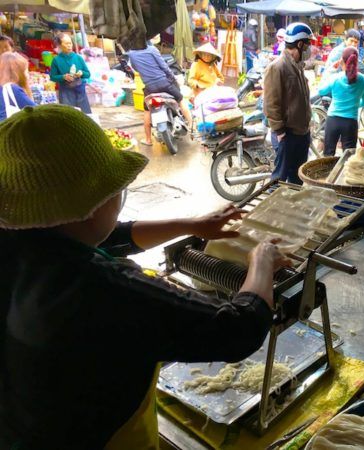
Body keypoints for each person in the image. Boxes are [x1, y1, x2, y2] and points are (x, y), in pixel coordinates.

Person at [0, 104, 289, 450]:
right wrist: (260, 263)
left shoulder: (21, 242)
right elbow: (239, 330)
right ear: (91, 204)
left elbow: (106, 235)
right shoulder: (101, 289)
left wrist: (191, 225)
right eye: (116, 190)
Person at [263, 22, 313, 184]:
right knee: (278, 180)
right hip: (287, 135)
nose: (309, 49)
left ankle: (291, 207)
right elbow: (271, 103)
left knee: (297, 179)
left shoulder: (298, 67)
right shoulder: (277, 67)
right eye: (308, 44)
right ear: (300, 44)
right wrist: (280, 131)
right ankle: (270, 208)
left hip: (301, 133)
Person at [128, 40, 192, 146]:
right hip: (165, 83)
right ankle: (191, 126)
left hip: (150, 88)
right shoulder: (152, 49)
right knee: (180, 100)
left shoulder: (131, 53)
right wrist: (173, 79)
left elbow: (135, 68)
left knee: (147, 111)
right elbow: (164, 67)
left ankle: (148, 139)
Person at [318, 47, 364, 156]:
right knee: (349, 157)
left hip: (333, 120)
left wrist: (330, 70)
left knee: (328, 155)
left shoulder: (335, 78)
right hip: (350, 122)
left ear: (342, 60)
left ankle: (329, 173)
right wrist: (355, 105)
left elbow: (321, 91)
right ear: (357, 61)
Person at [49, 32, 91, 114]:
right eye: (66, 43)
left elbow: (88, 74)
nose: (69, 45)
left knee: (85, 116)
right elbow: (53, 77)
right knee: (68, 115)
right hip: (65, 92)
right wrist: (63, 77)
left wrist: (81, 73)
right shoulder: (56, 60)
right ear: (60, 45)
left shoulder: (78, 58)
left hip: (80, 91)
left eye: (70, 43)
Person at [0, 52, 35, 121]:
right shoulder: (12, 89)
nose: (28, 75)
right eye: (26, 71)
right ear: (18, 72)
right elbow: (36, 111)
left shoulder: (2, 87)